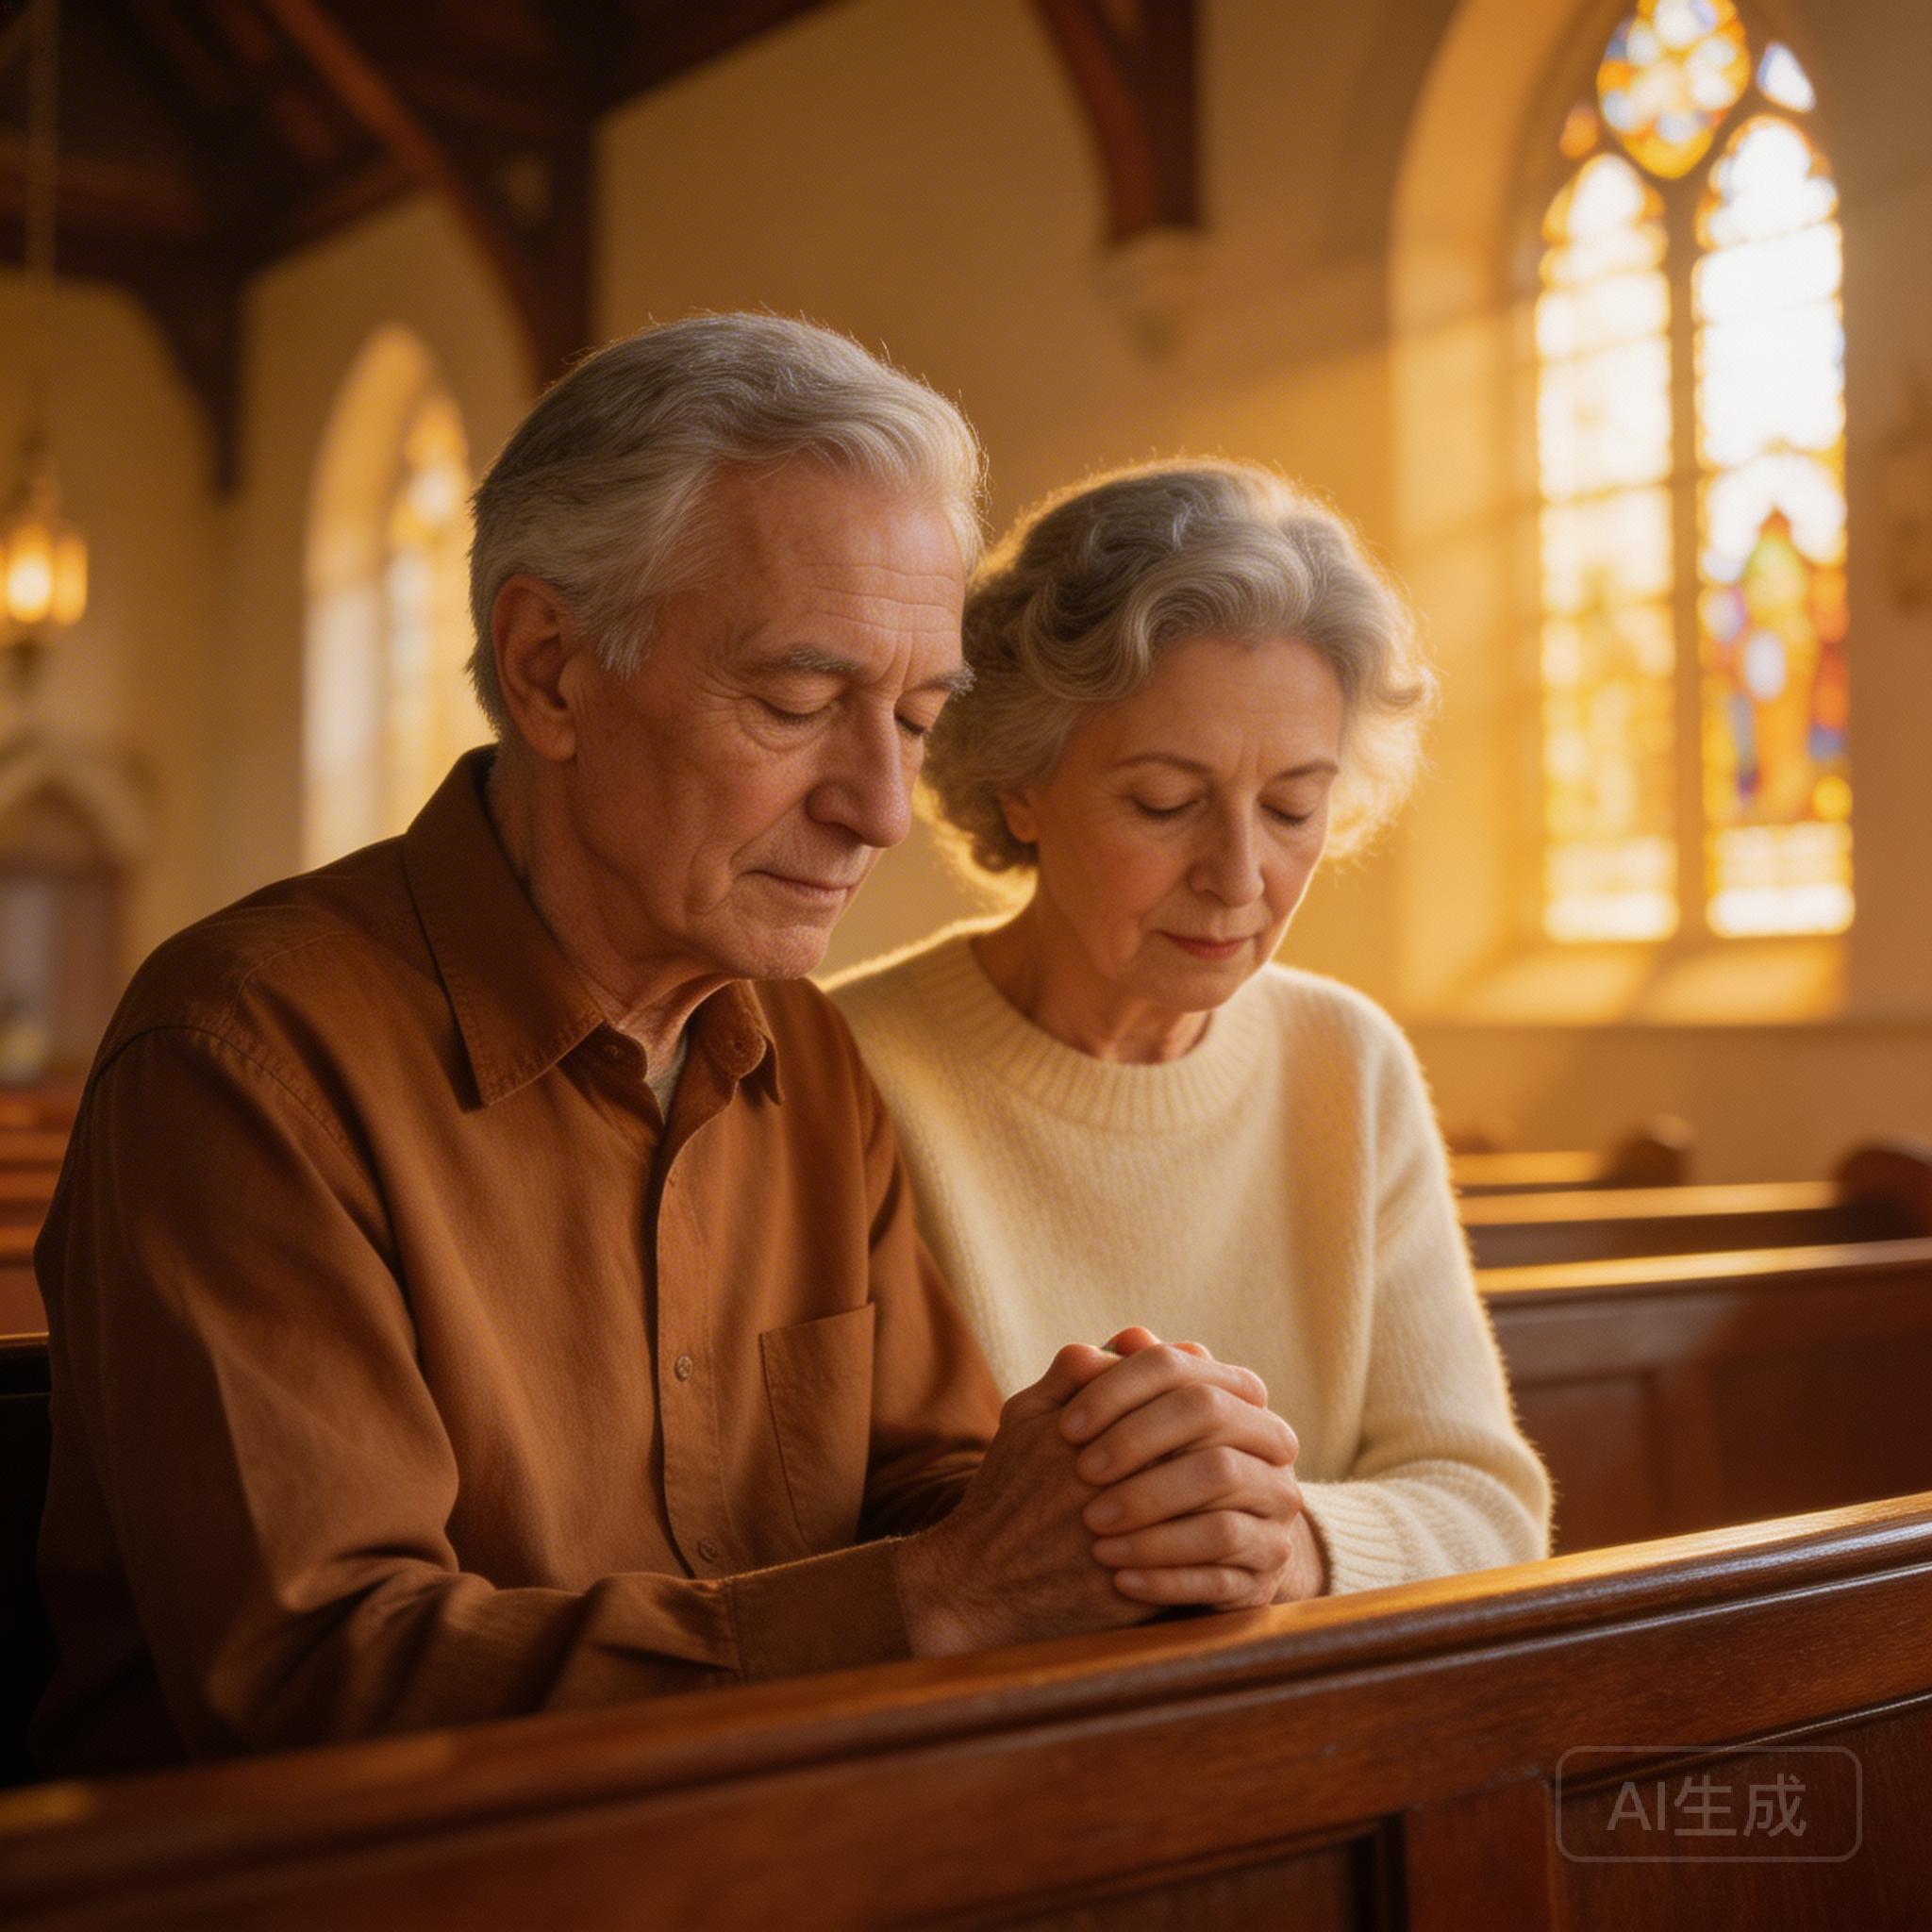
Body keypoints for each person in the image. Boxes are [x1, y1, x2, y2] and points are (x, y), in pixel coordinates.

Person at [31, 322, 1311, 1777]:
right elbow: (320, 1678)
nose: (884, 808)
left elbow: (924, 1494)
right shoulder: (245, 1054)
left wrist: (1117, 1496)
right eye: (798, 702)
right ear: (552, 671)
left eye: (915, 715)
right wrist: (937, 1601)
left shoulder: (804, 1055)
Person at [830, 461, 1552, 1597]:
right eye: (1163, 802)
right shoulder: (840, 1069)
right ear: (1022, 782)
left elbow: (1488, 1507)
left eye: (1291, 807)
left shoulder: (1344, 1063)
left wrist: (1285, 1542)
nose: (1238, 875)